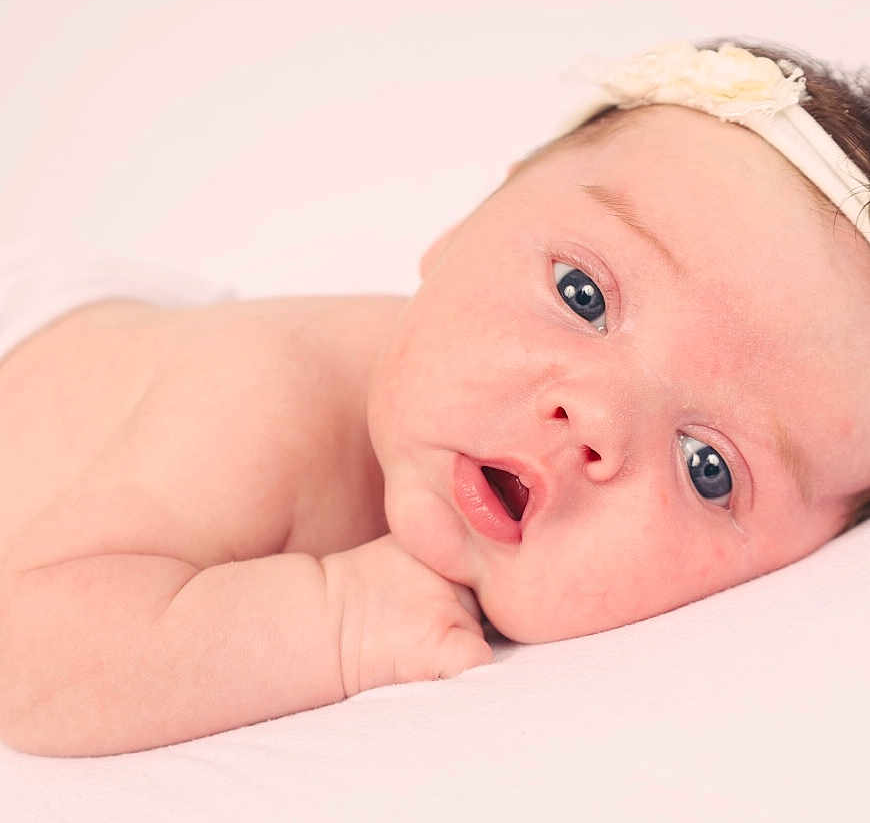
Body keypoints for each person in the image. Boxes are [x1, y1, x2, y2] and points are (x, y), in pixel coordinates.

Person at [1, 38, 868, 757]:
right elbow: (32, 661)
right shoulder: (262, 403)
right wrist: (334, 620)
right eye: (583, 295)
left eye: (706, 466)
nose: (593, 420)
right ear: (462, 229)